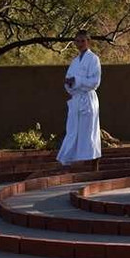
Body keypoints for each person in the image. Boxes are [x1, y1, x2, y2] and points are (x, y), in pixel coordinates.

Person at [56, 29, 102, 168]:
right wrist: (70, 84)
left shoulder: (94, 59)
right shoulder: (74, 62)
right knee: (73, 130)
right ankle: (70, 159)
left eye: (83, 41)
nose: (80, 43)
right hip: (76, 100)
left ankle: (93, 162)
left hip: (88, 100)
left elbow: (95, 82)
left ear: (88, 42)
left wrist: (77, 80)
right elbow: (68, 81)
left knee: (89, 133)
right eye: (77, 41)